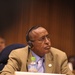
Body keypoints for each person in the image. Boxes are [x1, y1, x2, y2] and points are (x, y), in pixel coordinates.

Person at [0, 26, 74, 75]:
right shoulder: (18, 55)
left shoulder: (59, 56)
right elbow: (5, 73)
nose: (47, 42)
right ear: (30, 44)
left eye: (48, 37)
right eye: (42, 39)